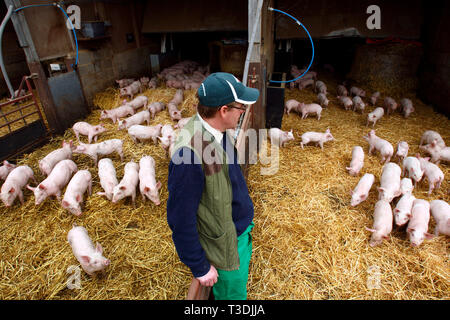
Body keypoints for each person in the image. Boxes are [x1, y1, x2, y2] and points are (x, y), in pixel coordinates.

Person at [167, 72, 260, 300]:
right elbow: (180, 219)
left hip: (235, 228)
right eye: (241, 108)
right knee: (232, 296)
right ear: (224, 110)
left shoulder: (216, 131)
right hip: (225, 246)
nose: (243, 113)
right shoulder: (188, 157)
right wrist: (199, 266)